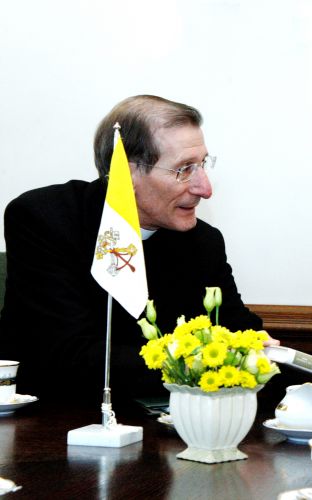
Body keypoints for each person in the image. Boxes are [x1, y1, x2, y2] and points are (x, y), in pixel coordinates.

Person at [0, 95, 274, 403]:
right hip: (56, 417)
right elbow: (69, 355)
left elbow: (240, 331)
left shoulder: (204, 241)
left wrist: (267, 359)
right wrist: (201, 367)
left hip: (169, 418)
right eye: (184, 169)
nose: (205, 188)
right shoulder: (45, 219)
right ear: (126, 174)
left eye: (202, 164)